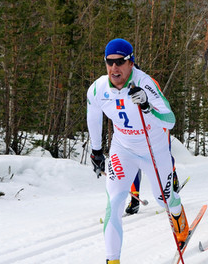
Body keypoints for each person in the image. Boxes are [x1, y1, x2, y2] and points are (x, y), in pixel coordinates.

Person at [87, 38, 189, 263]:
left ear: (131, 62)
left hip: (154, 149)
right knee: (113, 204)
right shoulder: (97, 89)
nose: (114, 68)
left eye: (120, 62)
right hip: (122, 149)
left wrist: (147, 106)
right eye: (109, 62)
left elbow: (170, 120)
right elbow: (93, 117)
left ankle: (178, 213)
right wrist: (96, 151)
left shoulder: (146, 83)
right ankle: (112, 260)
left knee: (164, 200)